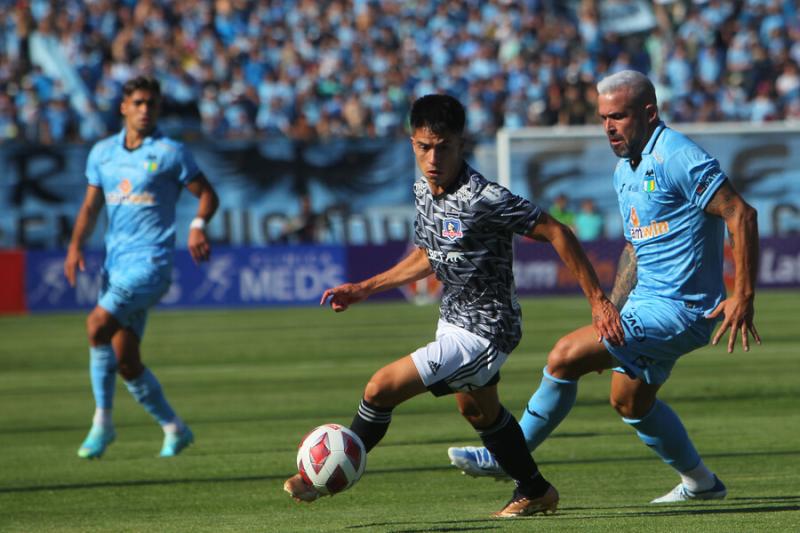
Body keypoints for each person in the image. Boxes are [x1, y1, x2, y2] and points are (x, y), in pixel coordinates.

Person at [283, 94, 624, 517]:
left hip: (487, 329)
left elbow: (558, 232)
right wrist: (367, 287)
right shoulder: (423, 192)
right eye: (425, 147)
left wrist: (598, 302)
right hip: (452, 321)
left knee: (380, 388)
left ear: (461, 144)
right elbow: (429, 253)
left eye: (443, 147)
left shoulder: (485, 197)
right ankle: (534, 489)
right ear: (412, 144)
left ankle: (329, 477)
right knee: (480, 412)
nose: (433, 157)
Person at [447, 70, 760, 504]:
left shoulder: (676, 155)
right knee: (630, 402)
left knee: (565, 356)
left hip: (683, 309)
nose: (609, 127)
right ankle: (702, 483)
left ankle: (505, 457)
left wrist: (742, 296)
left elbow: (741, 214)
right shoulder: (624, 171)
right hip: (646, 305)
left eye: (619, 116)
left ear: (649, 113)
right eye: (603, 118)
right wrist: (610, 311)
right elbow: (634, 249)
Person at [64, 76, 219, 459]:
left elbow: (208, 195)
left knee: (96, 325)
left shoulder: (170, 152)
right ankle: (175, 428)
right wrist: (74, 247)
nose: (145, 109)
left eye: (151, 103)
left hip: (151, 264)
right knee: (127, 362)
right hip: (114, 267)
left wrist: (197, 226)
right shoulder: (102, 153)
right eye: (138, 102)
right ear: (124, 107)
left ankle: (102, 425)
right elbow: (90, 206)